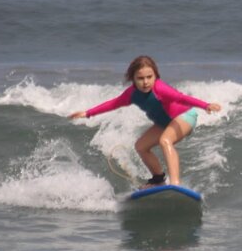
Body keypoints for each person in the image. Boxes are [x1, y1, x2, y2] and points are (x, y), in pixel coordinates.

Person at [69, 56, 221, 188]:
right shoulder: (131, 94)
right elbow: (114, 103)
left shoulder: (160, 89)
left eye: (150, 77)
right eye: (140, 78)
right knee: (141, 146)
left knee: (165, 140)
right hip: (164, 123)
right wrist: (88, 113)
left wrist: (206, 105)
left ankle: (175, 183)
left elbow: (181, 98)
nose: (146, 82)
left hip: (185, 116)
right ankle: (158, 179)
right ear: (133, 79)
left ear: (155, 76)